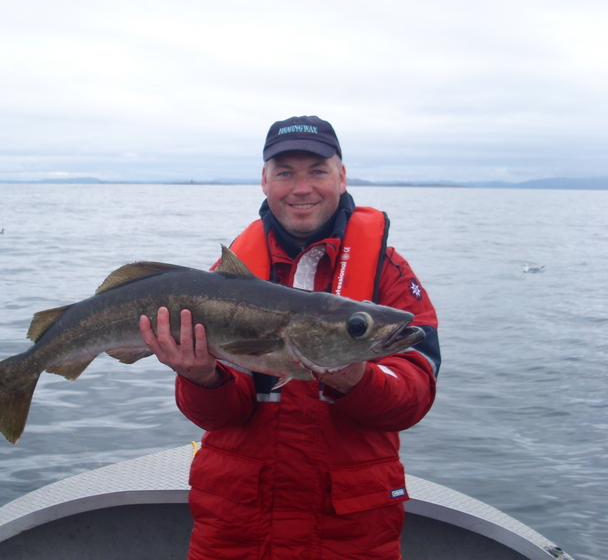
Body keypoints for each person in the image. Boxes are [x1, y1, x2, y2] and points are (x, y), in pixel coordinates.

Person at [139, 115, 441, 560]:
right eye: (285, 173)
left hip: (350, 533)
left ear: (342, 176)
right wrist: (201, 379)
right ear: (265, 181)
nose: (302, 188)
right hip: (237, 528)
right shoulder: (223, 283)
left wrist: (356, 378)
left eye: (317, 171)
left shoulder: (389, 273)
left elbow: (413, 399)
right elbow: (219, 417)